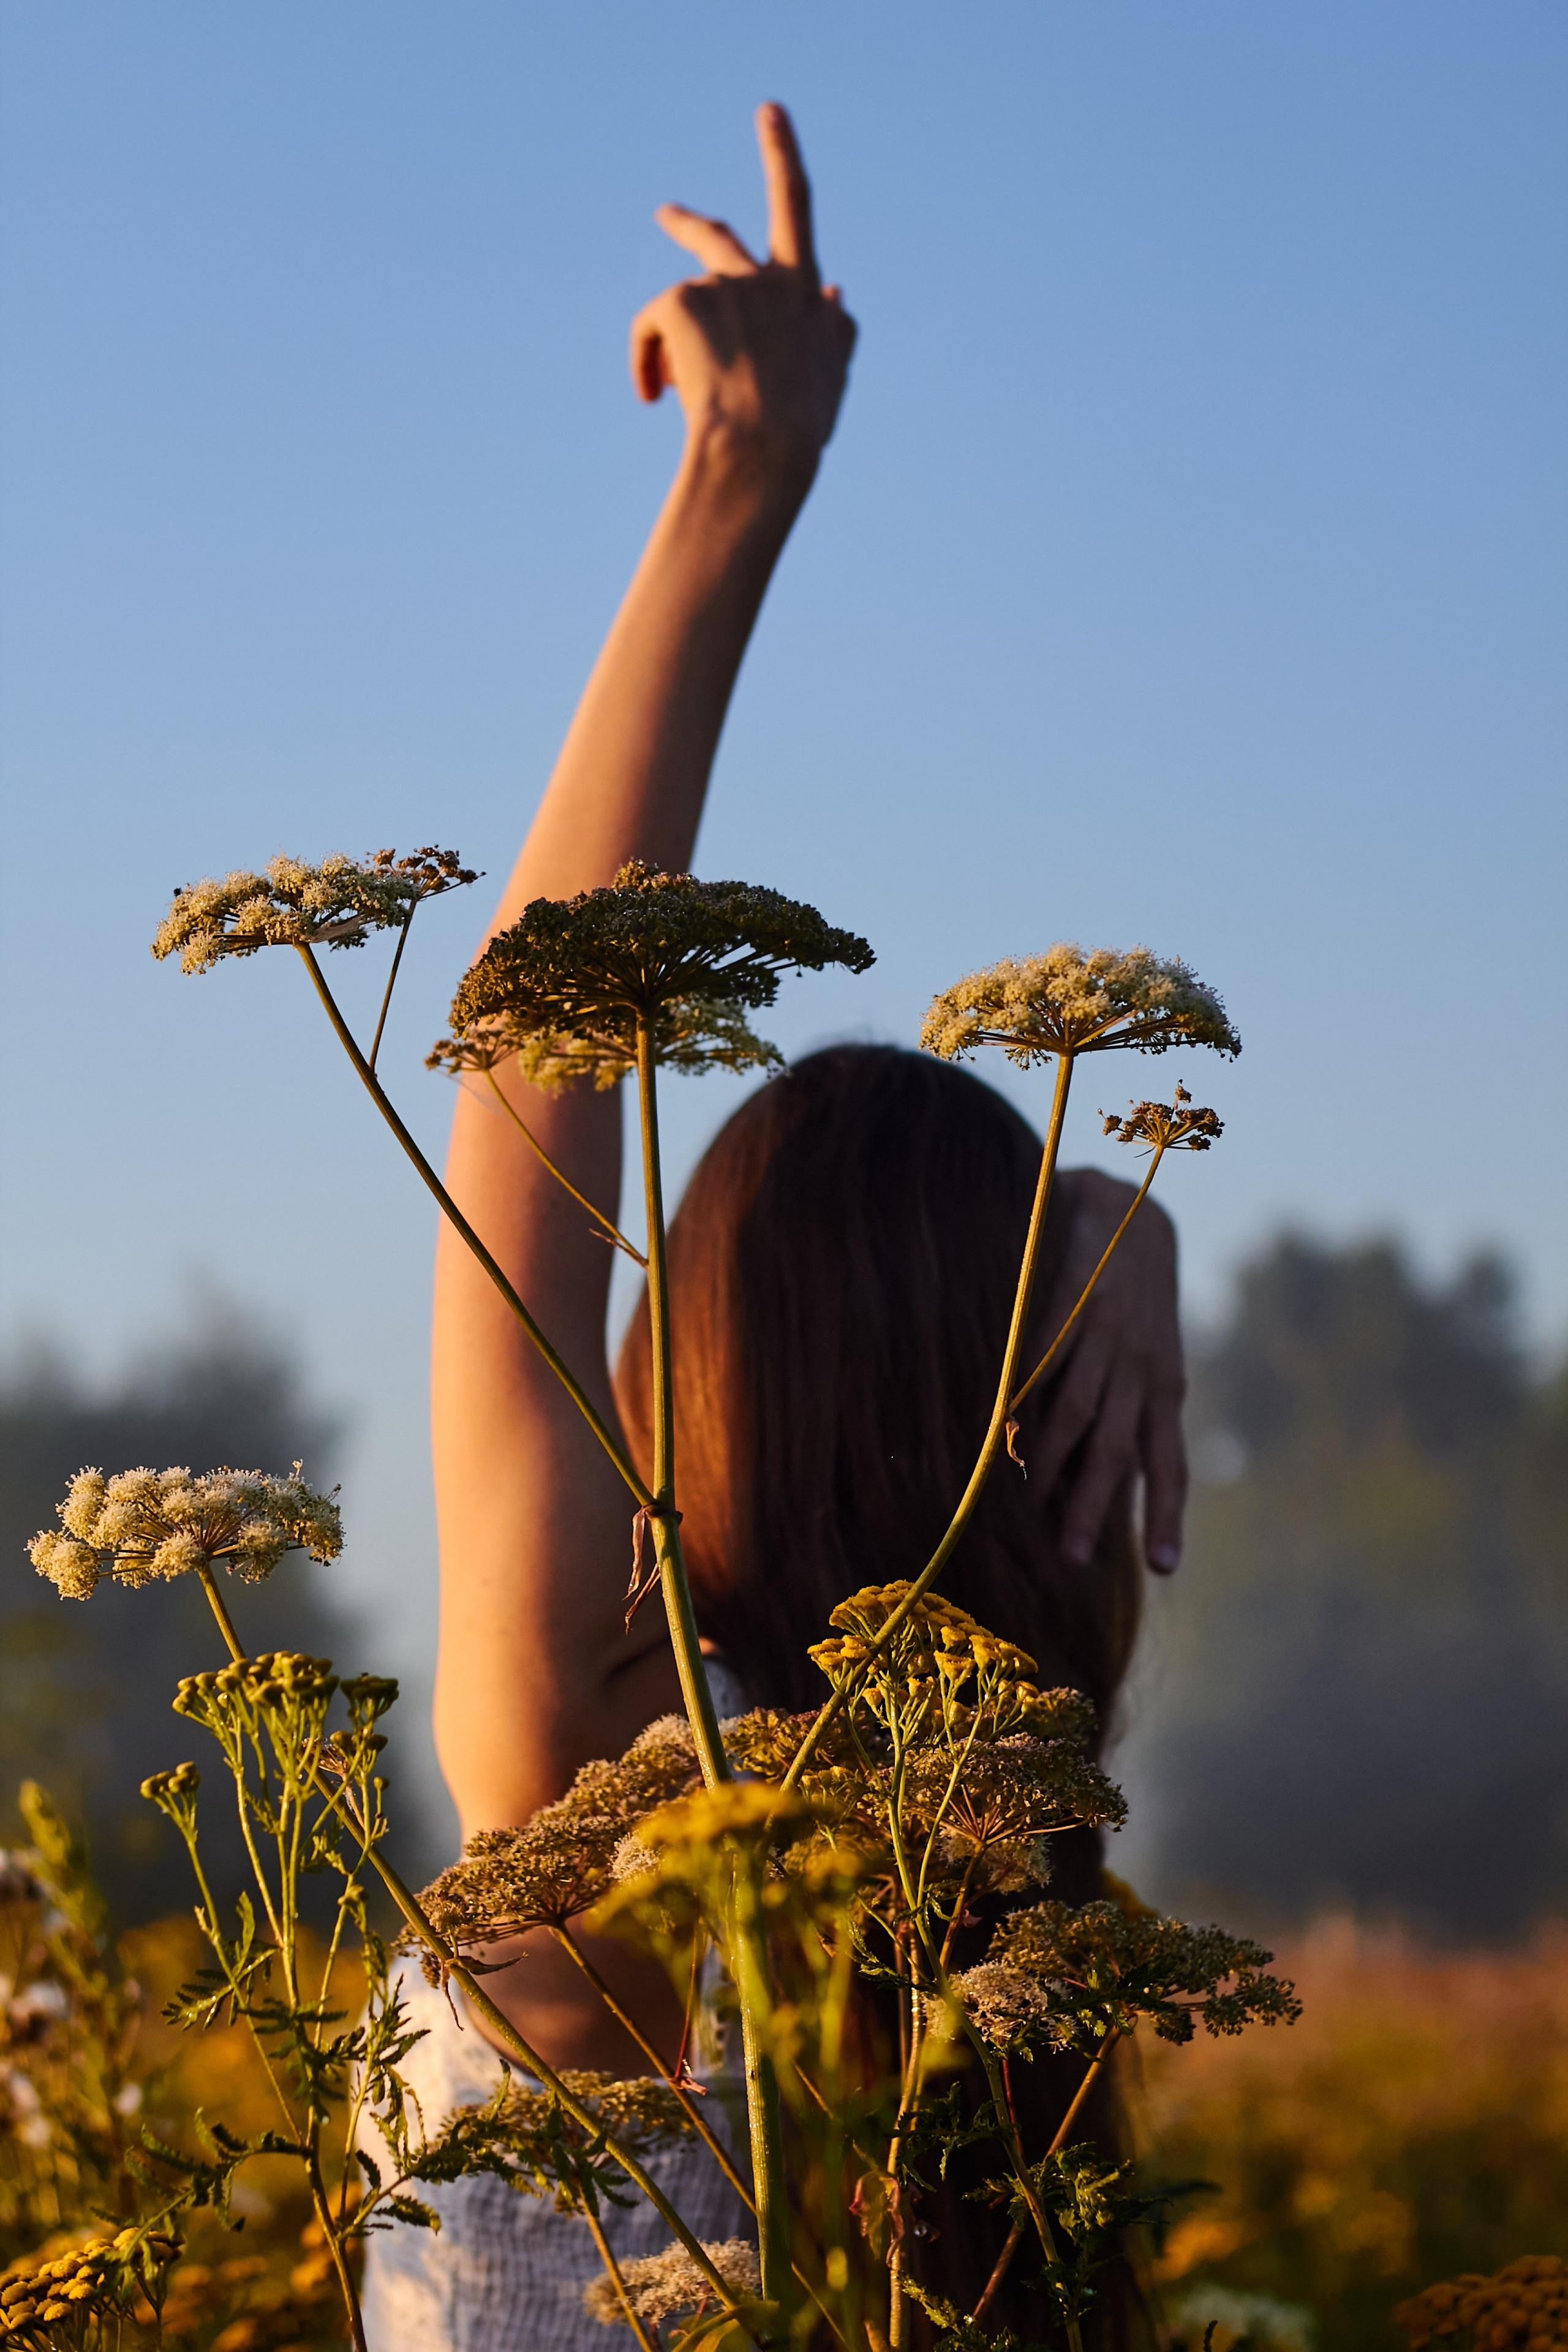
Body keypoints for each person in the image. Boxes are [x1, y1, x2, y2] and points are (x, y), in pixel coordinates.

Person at [363, 104, 1186, 2352]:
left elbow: (531, 1089)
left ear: (693, 1365)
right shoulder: (972, 1870)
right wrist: (1100, 1217)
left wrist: (736, 482)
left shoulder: (633, 1798)